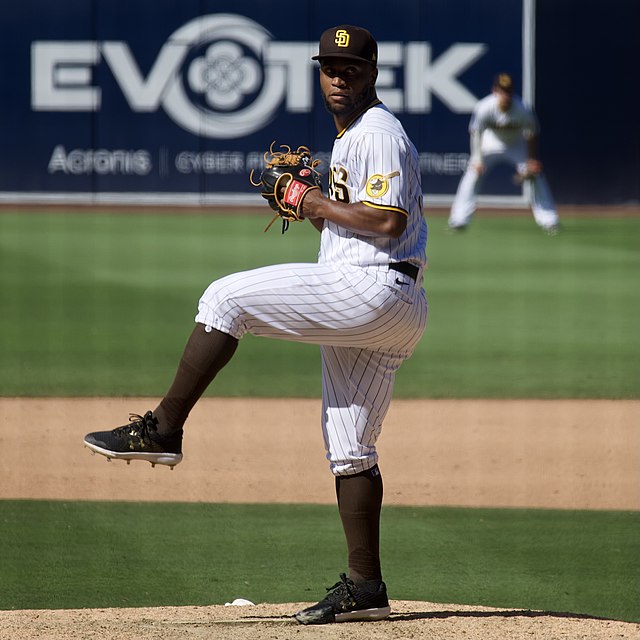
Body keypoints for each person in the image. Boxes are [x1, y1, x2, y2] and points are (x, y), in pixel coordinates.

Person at [84, 24, 428, 625]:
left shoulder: (378, 133)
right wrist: (308, 204)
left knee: (224, 299)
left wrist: (309, 199)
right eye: (330, 68)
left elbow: (387, 223)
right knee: (351, 449)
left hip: (374, 289)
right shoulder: (353, 137)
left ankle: (163, 429)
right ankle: (365, 587)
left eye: (350, 68)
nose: (339, 78)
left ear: (373, 72)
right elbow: (349, 227)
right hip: (383, 302)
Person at [448, 73, 560, 234]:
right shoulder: (484, 107)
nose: (505, 95)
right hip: (489, 144)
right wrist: (477, 159)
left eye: (508, 91)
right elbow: (476, 133)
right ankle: (458, 220)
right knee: (473, 173)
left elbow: (532, 133)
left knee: (535, 175)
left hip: (515, 145)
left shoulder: (523, 109)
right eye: (501, 91)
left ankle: (549, 220)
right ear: (494, 91)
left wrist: (531, 160)